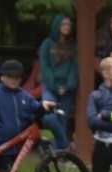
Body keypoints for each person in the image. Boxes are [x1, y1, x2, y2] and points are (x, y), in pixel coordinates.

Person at [38, 13, 77, 149]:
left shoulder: (72, 45)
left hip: (67, 87)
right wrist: (54, 86)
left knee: (62, 119)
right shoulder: (47, 44)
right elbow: (44, 65)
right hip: (50, 86)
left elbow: (74, 67)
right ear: (57, 25)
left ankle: (58, 152)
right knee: (50, 116)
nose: (67, 27)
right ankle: (64, 144)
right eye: (64, 24)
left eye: (69, 24)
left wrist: (68, 86)